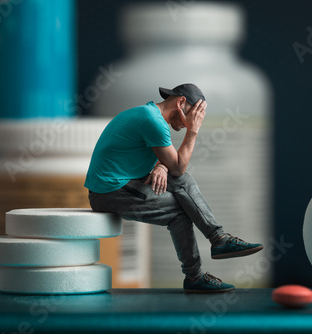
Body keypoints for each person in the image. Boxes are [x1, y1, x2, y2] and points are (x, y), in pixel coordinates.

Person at [85, 83, 263, 293]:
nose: (195, 120)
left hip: (126, 182)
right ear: (180, 103)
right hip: (110, 192)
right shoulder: (152, 121)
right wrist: (193, 131)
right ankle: (196, 276)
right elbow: (177, 166)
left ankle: (219, 240)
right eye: (194, 113)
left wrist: (161, 166)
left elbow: (166, 164)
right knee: (179, 212)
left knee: (183, 181)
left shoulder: (149, 114)